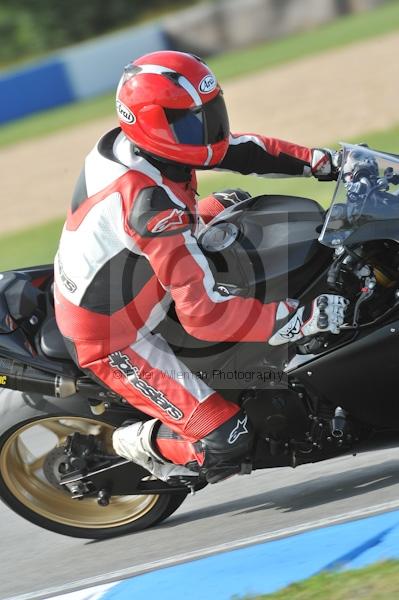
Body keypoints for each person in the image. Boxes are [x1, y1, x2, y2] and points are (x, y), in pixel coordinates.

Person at [54, 51, 347, 484]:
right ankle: (128, 443)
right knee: (228, 440)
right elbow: (205, 317)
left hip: (141, 269)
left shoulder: (144, 146)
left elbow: (242, 150)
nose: (209, 132)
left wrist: (324, 162)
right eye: (193, 122)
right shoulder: (147, 204)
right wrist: (299, 316)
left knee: (233, 202)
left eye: (211, 113)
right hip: (116, 334)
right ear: (153, 124)